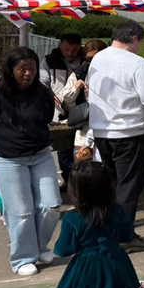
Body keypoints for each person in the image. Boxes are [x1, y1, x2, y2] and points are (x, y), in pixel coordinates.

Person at [44, 160, 144, 288]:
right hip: (117, 263)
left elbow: (62, 250)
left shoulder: (73, 217)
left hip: (86, 269)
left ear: (75, 189)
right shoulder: (118, 211)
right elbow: (127, 235)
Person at [0, 47, 60, 276]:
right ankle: (22, 259)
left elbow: (47, 116)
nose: (27, 73)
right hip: (7, 158)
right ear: (11, 70)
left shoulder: (42, 93)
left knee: (51, 205)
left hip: (40, 154)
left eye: (31, 68)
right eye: (22, 69)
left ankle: (39, 247)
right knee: (20, 211)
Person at [80, 20, 144, 253]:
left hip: (102, 130)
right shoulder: (138, 64)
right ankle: (124, 236)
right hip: (130, 131)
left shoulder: (98, 58)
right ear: (136, 38)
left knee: (112, 185)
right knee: (129, 187)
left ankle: (109, 230)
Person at [40, 32, 84, 193]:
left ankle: (83, 180)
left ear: (80, 47)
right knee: (63, 148)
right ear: (60, 46)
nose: (70, 53)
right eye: (66, 49)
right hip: (60, 110)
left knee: (83, 145)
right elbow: (42, 82)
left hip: (82, 108)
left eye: (74, 50)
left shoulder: (86, 60)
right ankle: (69, 180)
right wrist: (50, 96)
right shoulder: (50, 61)